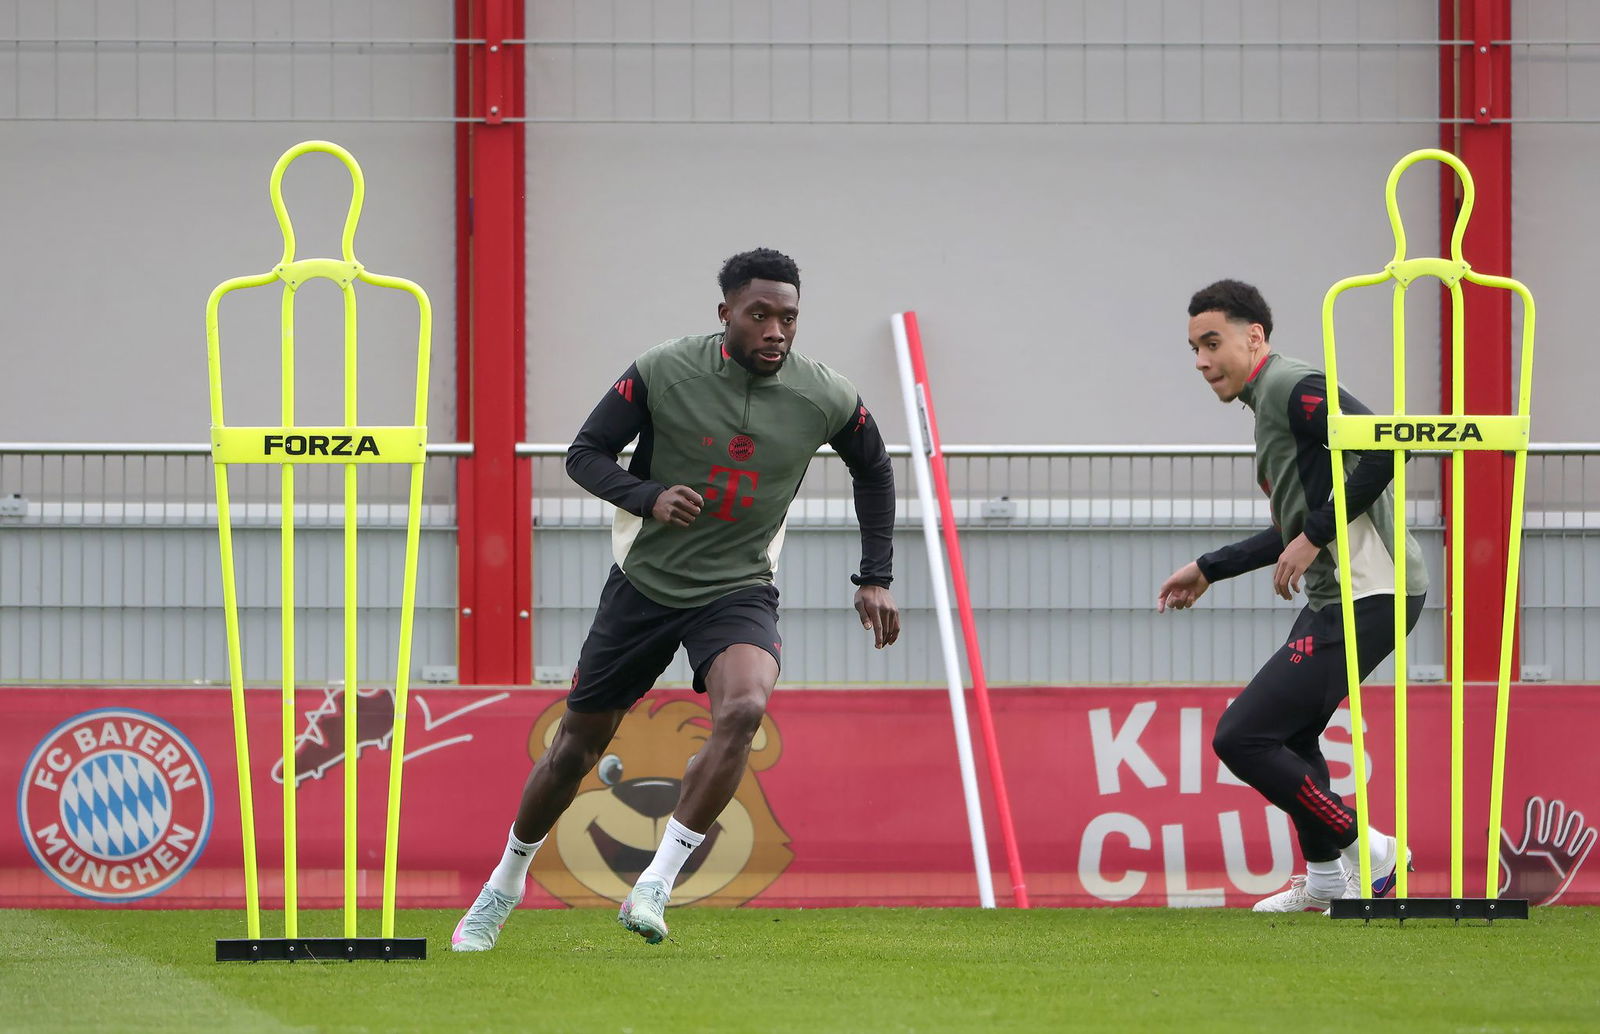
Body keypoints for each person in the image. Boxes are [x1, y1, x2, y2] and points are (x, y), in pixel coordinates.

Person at [452, 248, 900, 949]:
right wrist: (649, 497)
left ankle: (655, 884)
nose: (776, 331)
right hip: (644, 584)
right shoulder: (663, 370)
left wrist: (875, 575)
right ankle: (502, 886)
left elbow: (873, 468)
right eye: (759, 315)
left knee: (746, 706)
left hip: (738, 587)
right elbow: (585, 453)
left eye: (788, 318)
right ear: (724, 314)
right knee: (575, 748)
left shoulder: (826, 395)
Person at [1157, 279, 1428, 912]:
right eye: (1193, 347)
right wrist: (1211, 566)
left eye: (1212, 342)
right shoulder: (1266, 401)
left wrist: (1315, 533)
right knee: (1296, 741)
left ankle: (1376, 850)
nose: (1200, 361)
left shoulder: (1288, 385)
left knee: (1242, 737)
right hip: (1340, 596)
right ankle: (1329, 881)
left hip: (1374, 592)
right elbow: (1294, 524)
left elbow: (1389, 444)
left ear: (1255, 338)